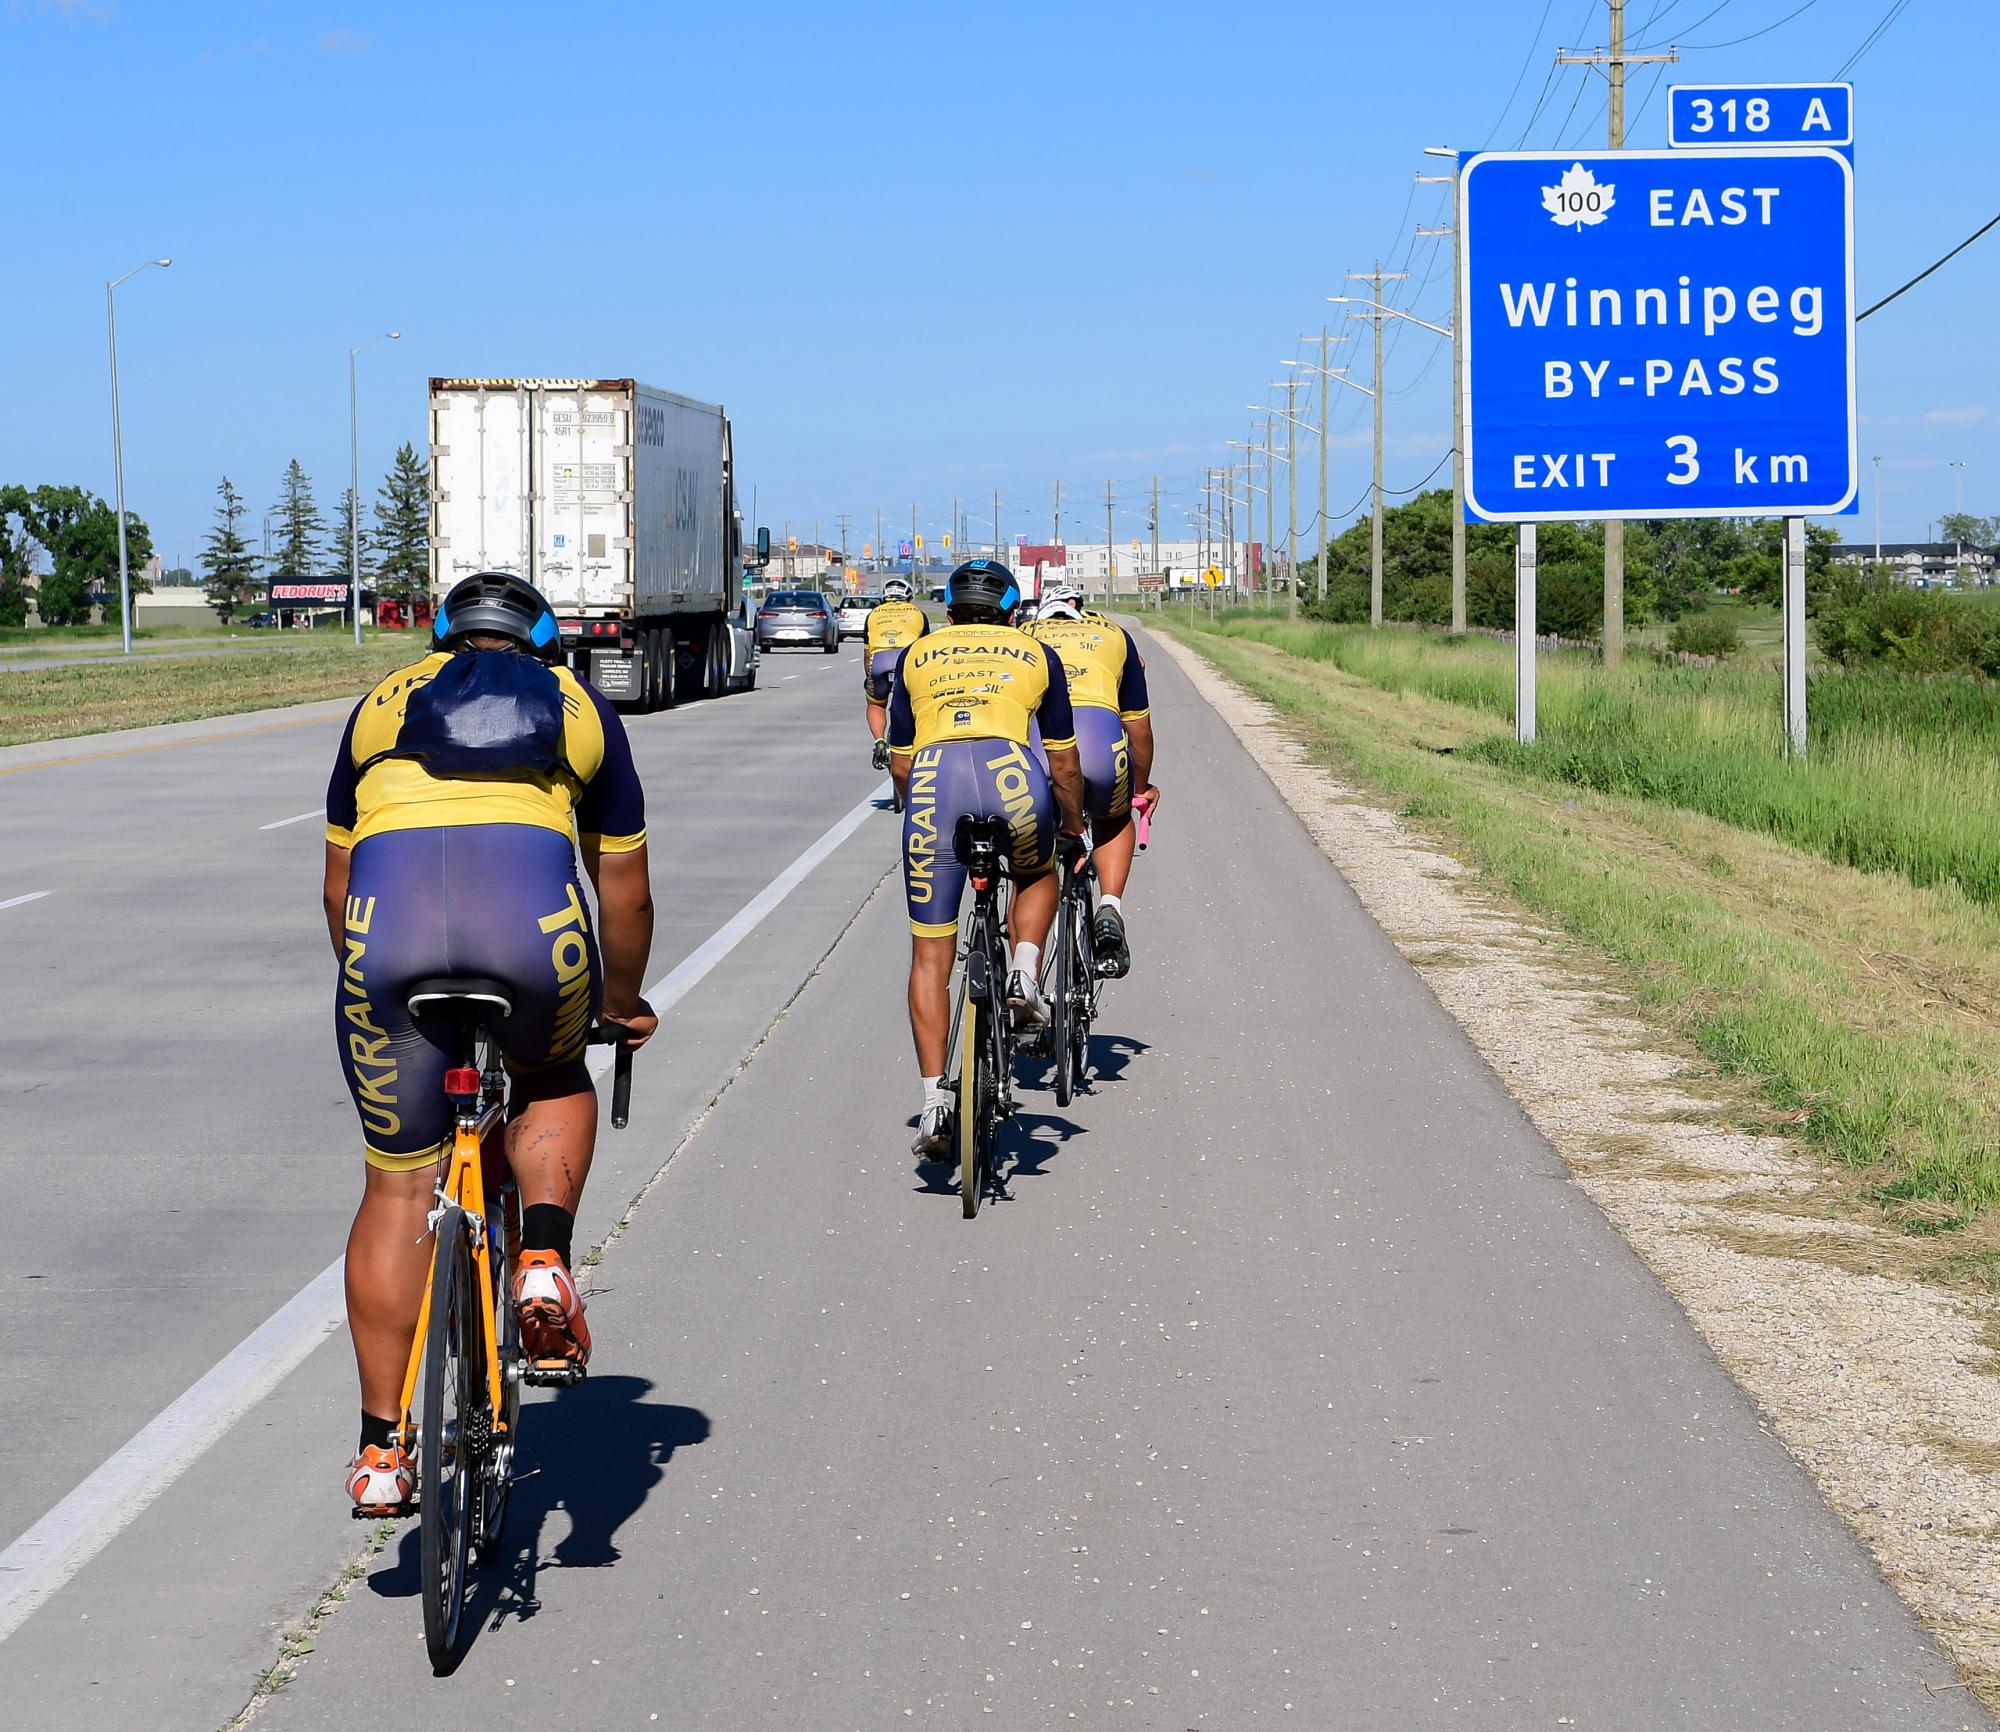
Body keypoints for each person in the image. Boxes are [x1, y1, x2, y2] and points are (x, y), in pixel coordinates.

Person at [322, 571, 658, 1515]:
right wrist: (622, 1003)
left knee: (397, 1183)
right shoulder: (581, 707)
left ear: (441, 640)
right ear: (544, 642)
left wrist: (369, 987)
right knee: (554, 1072)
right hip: (532, 937)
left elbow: (337, 887)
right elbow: (622, 892)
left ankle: (382, 1451)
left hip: (386, 944)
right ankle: (543, 1258)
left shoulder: (375, 708)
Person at [885, 559, 1086, 1161]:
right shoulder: (1035, 652)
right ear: (1013, 610)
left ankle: (933, 1101)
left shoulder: (915, 655)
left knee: (929, 952)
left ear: (948, 610)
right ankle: (1024, 971)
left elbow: (899, 762)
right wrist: (1073, 827)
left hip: (933, 787)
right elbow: (1066, 764)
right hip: (1012, 779)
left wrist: (919, 807)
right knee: (1036, 869)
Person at [1023, 584, 1160, 978]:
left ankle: (1024, 971)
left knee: (1028, 856)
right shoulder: (1114, 634)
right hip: (1102, 742)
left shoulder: (1023, 636)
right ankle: (1110, 906)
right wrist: (1139, 787)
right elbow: (1140, 729)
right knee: (1114, 817)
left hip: (1042, 748)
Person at [863, 575, 930, 770]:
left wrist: (869, 679)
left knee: (876, 703)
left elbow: (867, 653)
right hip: (907, 659)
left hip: (879, 661)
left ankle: (879, 742)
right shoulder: (918, 613)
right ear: (908, 597)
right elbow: (924, 648)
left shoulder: (873, 614)